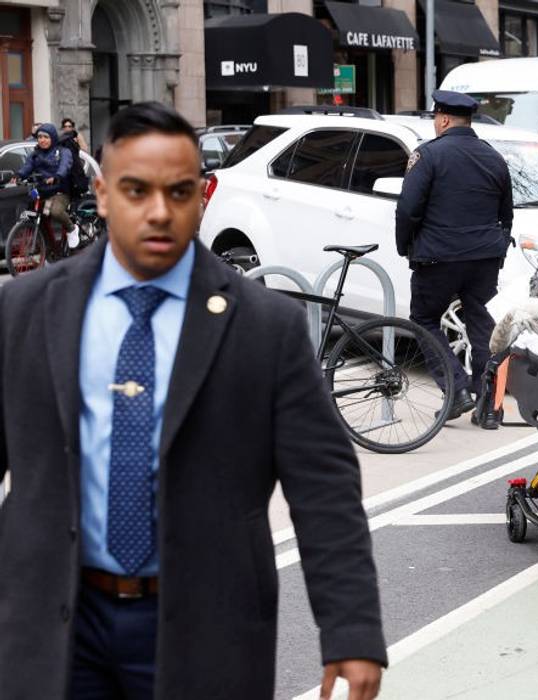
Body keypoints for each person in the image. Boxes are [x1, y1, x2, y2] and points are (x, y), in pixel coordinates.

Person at [0, 102, 386, 698]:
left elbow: (324, 487)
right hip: (55, 622)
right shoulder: (26, 309)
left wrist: (352, 630)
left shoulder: (265, 326)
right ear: (102, 195)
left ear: (200, 198)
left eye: (179, 192)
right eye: (136, 190)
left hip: (208, 624)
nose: (159, 212)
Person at [396, 90, 514, 424]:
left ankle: (457, 389)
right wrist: (498, 247)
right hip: (484, 259)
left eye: (436, 118)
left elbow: (407, 209)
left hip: (439, 258)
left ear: (444, 119)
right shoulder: (493, 157)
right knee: (482, 326)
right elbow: (506, 212)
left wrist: (405, 246)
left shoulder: (428, 155)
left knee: (424, 319)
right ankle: (489, 408)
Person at [11, 122, 79, 247]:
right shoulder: (35, 154)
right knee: (40, 216)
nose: (42, 140)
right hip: (44, 192)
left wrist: (57, 176)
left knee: (56, 211)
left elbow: (65, 165)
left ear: (52, 138)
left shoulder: (63, 151)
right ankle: (50, 248)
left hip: (60, 192)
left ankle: (72, 229)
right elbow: (27, 167)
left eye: (46, 137)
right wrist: (18, 175)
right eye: (40, 137)